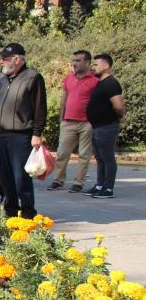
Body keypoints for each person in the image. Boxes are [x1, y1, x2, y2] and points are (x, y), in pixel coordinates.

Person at [0, 43, 47, 218]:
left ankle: (28, 212)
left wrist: (37, 133)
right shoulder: (2, 81)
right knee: (5, 177)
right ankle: (10, 211)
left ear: (17, 59)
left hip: (21, 135)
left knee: (21, 177)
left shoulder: (32, 77)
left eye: (5, 59)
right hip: (2, 136)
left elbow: (40, 107)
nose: (1, 62)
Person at [47, 50, 97, 193]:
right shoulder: (68, 78)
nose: (74, 63)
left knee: (84, 154)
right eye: (74, 60)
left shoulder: (94, 81)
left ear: (87, 62)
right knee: (62, 153)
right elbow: (64, 99)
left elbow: (98, 102)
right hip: (68, 121)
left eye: (78, 61)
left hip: (87, 122)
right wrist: (61, 118)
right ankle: (58, 180)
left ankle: (78, 183)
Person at [84, 54, 126, 199]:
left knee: (107, 158)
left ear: (106, 66)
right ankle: (100, 185)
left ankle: (108, 189)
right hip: (97, 126)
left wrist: (120, 116)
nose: (93, 67)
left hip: (107, 126)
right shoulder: (100, 83)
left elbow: (118, 106)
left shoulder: (112, 83)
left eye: (96, 64)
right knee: (100, 158)